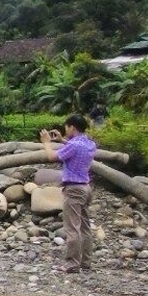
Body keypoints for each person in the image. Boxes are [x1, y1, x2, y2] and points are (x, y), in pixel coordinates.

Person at [40, 114, 97, 273]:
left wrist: (46, 143)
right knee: (85, 227)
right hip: (86, 188)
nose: (65, 130)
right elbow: (76, 148)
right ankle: (86, 262)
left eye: (66, 127)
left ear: (72, 127)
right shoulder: (90, 144)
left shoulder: (73, 145)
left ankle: (72, 264)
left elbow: (52, 157)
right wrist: (61, 141)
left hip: (74, 189)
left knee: (72, 228)